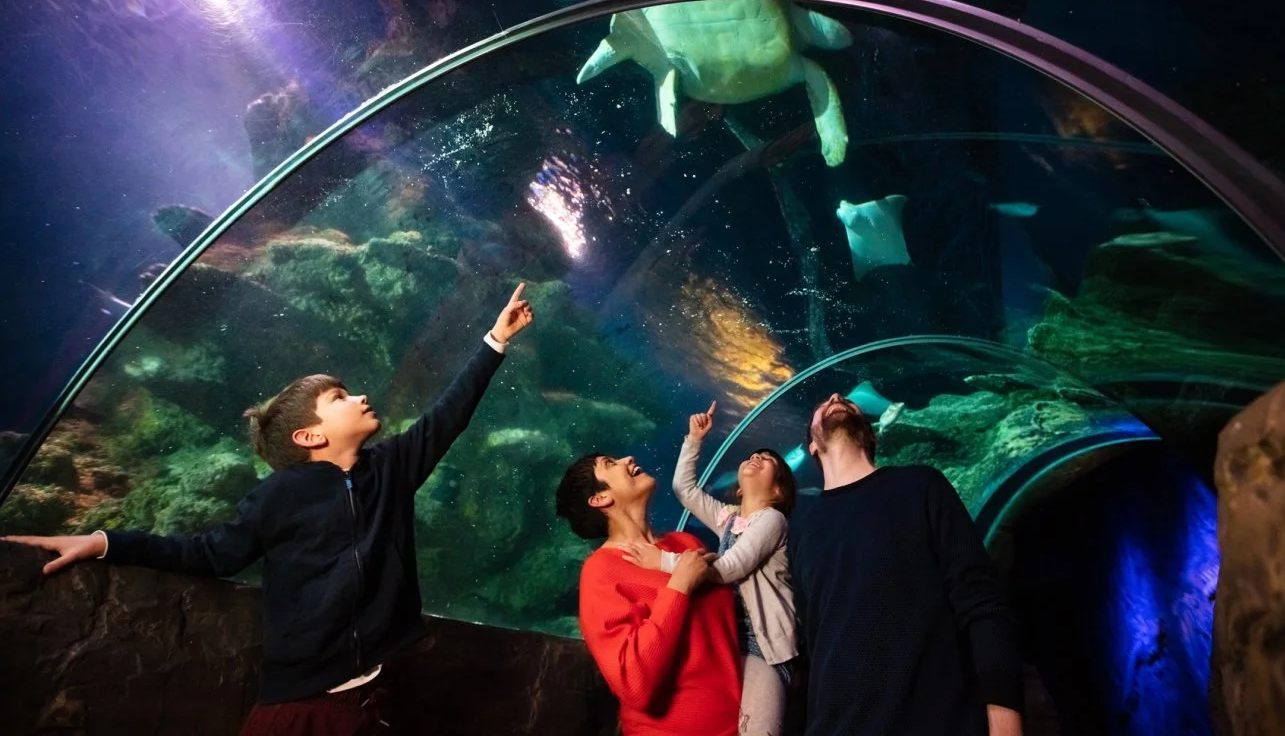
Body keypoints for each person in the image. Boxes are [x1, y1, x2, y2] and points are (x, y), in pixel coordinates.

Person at [4, 283, 535, 736]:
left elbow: (448, 415)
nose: (358, 398)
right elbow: (210, 554)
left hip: (380, 694)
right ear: (309, 436)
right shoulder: (280, 494)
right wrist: (104, 541)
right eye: (339, 398)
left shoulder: (390, 468)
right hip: (301, 704)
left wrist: (495, 341)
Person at [788, 393, 1025, 736]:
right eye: (820, 404)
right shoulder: (802, 530)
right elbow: (813, 644)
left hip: (935, 720)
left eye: (846, 399)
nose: (837, 397)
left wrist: (1005, 713)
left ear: (871, 434)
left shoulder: (920, 484)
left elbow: (981, 599)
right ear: (812, 446)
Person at [618, 402, 798, 736]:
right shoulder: (730, 518)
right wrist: (695, 440)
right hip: (724, 638)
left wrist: (664, 562)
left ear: (778, 490)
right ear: (739, 489)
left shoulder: (773, 520)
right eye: (754, 455)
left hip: (763, 646)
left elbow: (730, 568)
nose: (757, 457)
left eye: (768, 460)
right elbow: (684, 490)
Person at [555, 447, 742, 736]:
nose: (628, 459)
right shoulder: (601, 570)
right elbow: (634, 684)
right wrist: (679, 586)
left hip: (743, 724)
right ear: (600, 499)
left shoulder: (687, 543)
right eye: (610, 464)